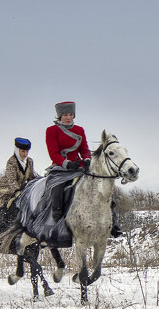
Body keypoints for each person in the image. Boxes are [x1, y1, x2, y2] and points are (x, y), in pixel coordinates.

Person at [43, 101, 120, 236]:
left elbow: (84, 149)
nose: (68, 117)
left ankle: (113, 222)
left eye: (71, 114)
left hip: (78, 166)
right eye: (65, 114)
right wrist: (66, 163)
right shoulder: (51, 130)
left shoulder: (79, 130)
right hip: (61, 167)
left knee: (101, 187)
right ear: (59, 116)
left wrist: (86, 159)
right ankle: (57, 219)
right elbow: (53, 153)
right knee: (57, 187)